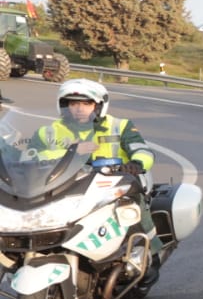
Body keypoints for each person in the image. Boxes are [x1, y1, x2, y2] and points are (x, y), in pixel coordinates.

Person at [32, 78, 161, 272]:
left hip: (113, 183)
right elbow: (30, 156)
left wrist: (136, 164)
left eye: (86, 103)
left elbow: (142, 150)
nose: (79, 108)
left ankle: (150, 249)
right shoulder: (47, 132)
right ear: (64, 106)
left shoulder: (120, 125)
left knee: (132, 207)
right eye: (74, 103)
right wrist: (73, 151)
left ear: (98, 105)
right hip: (65, 184)